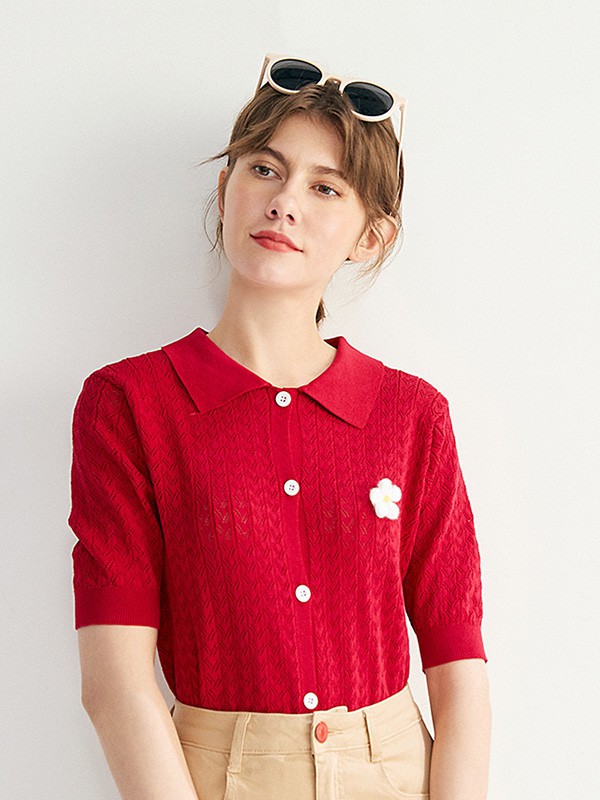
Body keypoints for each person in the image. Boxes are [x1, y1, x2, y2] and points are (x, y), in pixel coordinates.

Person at [68, 53, 491, 800]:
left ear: (370, 237)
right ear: (225, 189)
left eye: (325, 187)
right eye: (264, 170)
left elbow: (458, 668)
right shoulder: (130, 404)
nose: (284, 203)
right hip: (212, 776)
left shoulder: (412, 414)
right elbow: (115, 684)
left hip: (395, 771)